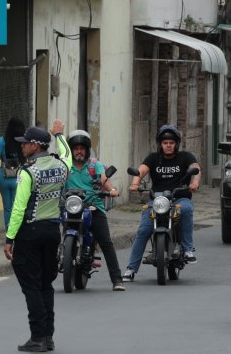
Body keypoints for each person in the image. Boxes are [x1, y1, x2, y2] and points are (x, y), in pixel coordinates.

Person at [4, 123, 71, 353]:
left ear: (34, 146)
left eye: (25, 144)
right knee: (45, 285)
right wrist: (60, 135)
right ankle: (48, 337)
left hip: (30, 234)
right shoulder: (62, 166)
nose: (22, 147)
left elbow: (18, 208)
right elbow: (67, 153)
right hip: (53, 232)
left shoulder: (27, 171)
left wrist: (9, 238)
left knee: (31, 286)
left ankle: (37, 337)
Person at [123, 125, 201, 281]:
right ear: (160, 144)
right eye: (165, 142)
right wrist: (135, 184)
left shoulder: (185, 157)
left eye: (171, 142)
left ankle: (187, 249)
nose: (168, 145)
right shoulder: (153, 158)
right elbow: (141, 171)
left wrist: (194, 182)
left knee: (186, 210)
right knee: (144, 229)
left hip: (179, 198)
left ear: (176, 144)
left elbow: (195, 168)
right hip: (157, 201)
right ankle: (131, 269)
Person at [53, 127, 125, 291]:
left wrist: (111, 190)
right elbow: (57, 179)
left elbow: (104, 179)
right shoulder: (66, 165)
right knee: (51, 234)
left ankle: (117, 280)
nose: (79, 151)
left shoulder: (94, 165)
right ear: (71, 150)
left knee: (106, 242)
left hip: (93, 206)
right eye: (76, 148)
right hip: (71, 207)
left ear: (87, 150)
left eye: (82, 148)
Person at [0, 117, 27, 229]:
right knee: (17, 206)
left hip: (3, 177)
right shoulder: (23, 142)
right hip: (19, 178)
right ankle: (17, 231)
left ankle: (9, 232)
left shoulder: (2, 140)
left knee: (7, 208)